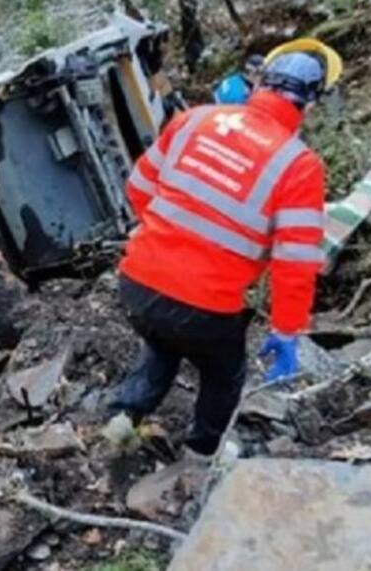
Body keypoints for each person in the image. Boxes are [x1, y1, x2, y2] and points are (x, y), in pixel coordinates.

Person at [108, 38, 343, 459]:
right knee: (224, 372)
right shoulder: (298, 165)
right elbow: (296, 264)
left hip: (136, 285)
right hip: (203, 307)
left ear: (259, 83)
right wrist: (287, 331)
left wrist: (168, 241)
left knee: (164, 340)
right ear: (309, 104)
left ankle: (125, 414)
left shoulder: (194, 119)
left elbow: (138, 188)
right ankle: (202, 454)